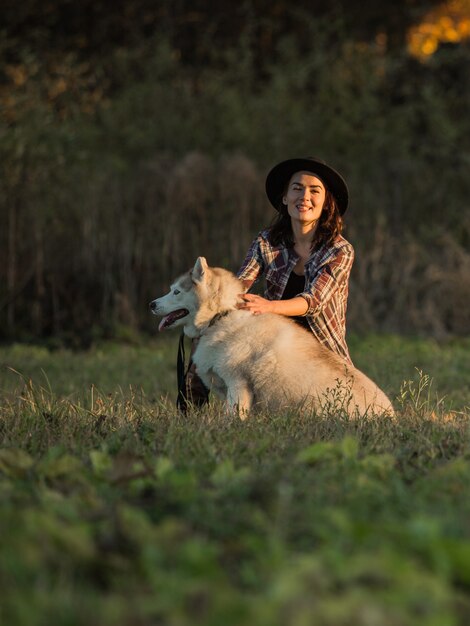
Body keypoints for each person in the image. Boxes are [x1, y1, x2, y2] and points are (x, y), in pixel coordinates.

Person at [179, 156, 354, 410]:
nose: (304, 196)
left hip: (321, 349)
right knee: (210, 321)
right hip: (274, 344)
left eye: (314, 190)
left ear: (326, 202)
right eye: (297, 188)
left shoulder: (340, 250)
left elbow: (313, 301)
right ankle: (191, 404)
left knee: (337, 406)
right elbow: (239, 286)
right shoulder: (266, 241)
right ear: (285, 198)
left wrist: (268, 307)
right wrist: (207, 303)